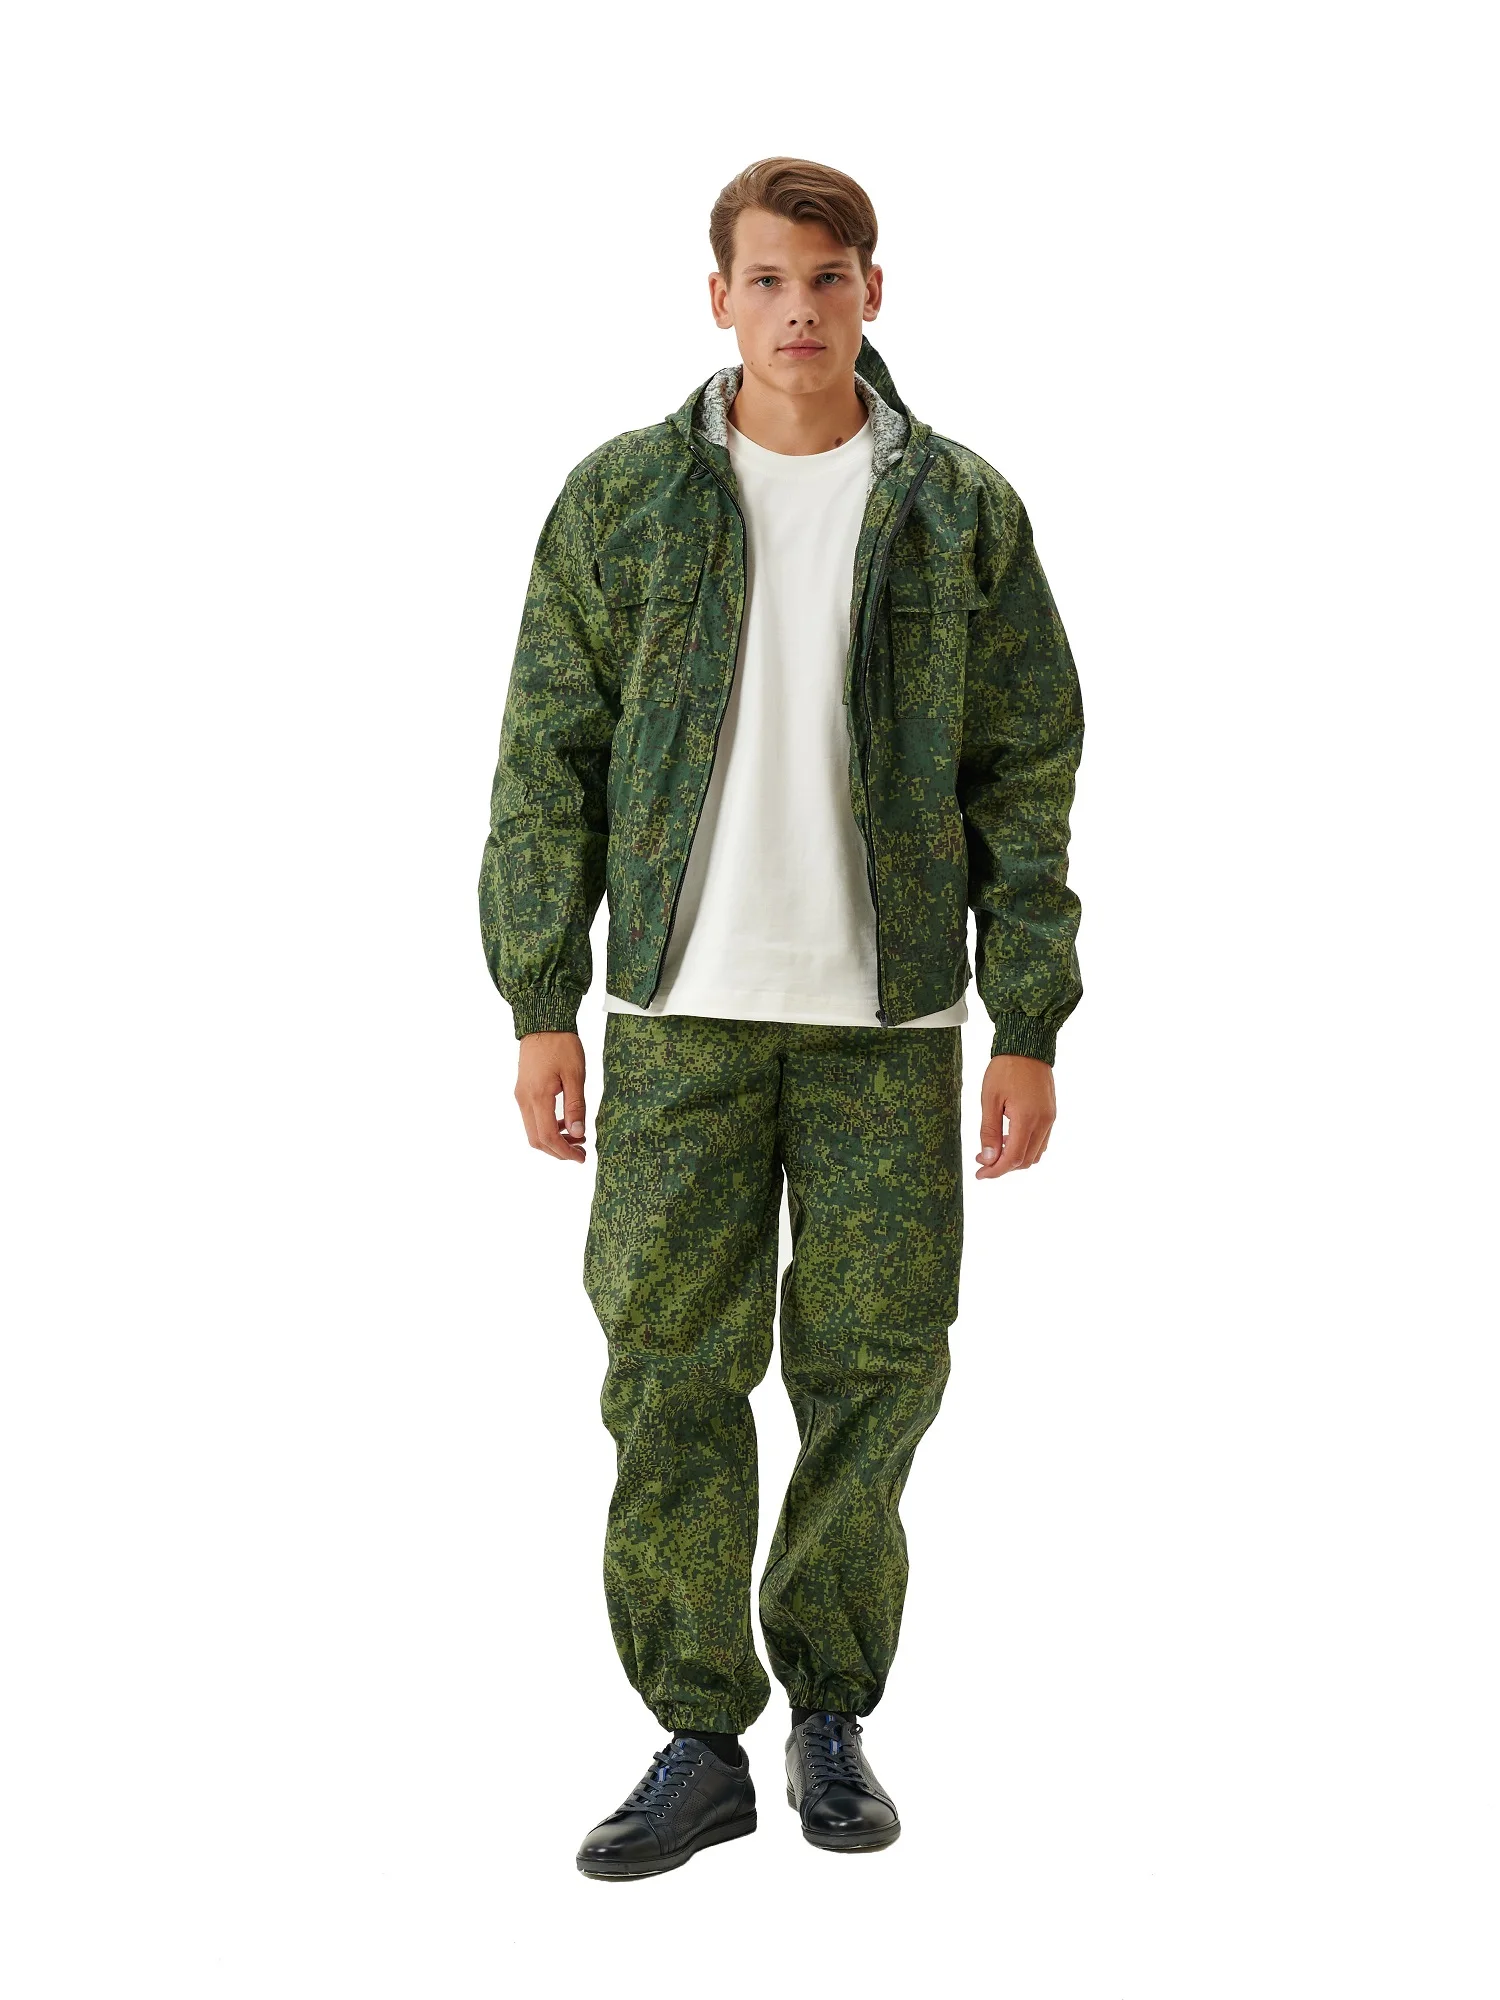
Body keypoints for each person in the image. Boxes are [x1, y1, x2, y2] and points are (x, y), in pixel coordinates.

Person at [478, 156, 1084, 1878]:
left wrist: (1027, 1019)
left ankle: (829, 1718)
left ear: (873, 291)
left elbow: (1026, 772)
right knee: (669, 1374)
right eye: (766, 279)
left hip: (889, 1023)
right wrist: (540, 997)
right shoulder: (624, 501)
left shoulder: (957, 510)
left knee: (874, 1373)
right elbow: (546, 762)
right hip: (677, 1016)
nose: (798, 308)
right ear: (719, 299)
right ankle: (696, 1738)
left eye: (827, 277)